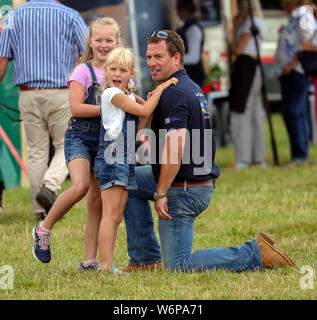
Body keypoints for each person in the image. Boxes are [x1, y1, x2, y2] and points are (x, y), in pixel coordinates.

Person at [120, 30, 295, 273]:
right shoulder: (186, 87)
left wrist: (161, 193)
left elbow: (175, 146)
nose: (151, 63)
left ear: (177, 58)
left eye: (158, 56)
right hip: (191, 181)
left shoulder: (175, 93)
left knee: (179, 267)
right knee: (126, 181)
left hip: (183, 191)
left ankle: (254, 252)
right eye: (149, 57)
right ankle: (146, 258)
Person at [32, 17, 121, 270]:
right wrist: (107, 107)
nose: (104, 45)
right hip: (80, 137)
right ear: (89, 41)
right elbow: (76, 108)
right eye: (99, 40)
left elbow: (127, 101)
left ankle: (89, 261)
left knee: (96, 201)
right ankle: (44, 228)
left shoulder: (119, 70)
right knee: (80, 186)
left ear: (117, 42)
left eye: (109, 40)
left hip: (105, 141)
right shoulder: (83, 71)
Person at [0, 0, 88, 221]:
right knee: (66, 145)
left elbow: (2, 59)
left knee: (37, 152)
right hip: (61, 91)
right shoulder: (71, 16)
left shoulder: (13, 17)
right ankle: (49, 187)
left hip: (28, 93)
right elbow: (88, 53)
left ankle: (41, 212)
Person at [93, 47, 177, 273]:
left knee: (117, 216)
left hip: (125, 157)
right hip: (112, 158)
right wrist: (161, 88)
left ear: (131, 74)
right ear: (105, 71)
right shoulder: (112, 94)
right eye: (112, 69)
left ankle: (108, 265)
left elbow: (139, 127)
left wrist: (146, 105)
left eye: (123, 70)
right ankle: (105, 266)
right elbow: (144, 111)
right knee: (110, 216)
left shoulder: (127, 96)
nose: (117, 74)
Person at [275, 0, 317, 165]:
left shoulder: (302, 14)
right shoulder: (297, 16)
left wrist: (293, 62)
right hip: (292, 72)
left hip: (296, 72)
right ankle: (299, 154)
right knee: (297, 113)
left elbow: (312, 41)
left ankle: (300, 155)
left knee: (292, 113)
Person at [227, 0, 267, 169]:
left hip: (246, 67)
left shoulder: (251, 23)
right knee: (254, 114)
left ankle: (243, 158)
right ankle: (259, 158)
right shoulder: (254, 22)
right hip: (252, 66)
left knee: (241, 112)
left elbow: (236, 49)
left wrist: (234, 29)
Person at [176, 0, 206, 88]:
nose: (178, 13)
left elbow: (194, 57)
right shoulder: (185, 26)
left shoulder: (193, 28)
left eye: (179, 10)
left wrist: (172, 60)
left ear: (185, 10)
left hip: (194, 76)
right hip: (189, 76)